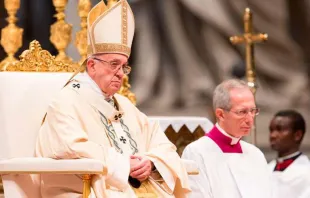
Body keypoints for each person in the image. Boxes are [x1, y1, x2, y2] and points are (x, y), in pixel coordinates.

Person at [35, 0, 190, 197]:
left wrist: (151, 162)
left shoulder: (124, 104)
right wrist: (124, 165)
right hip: (89, 190)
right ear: (92, 66)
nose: (120, 73)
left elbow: (160, 142)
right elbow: (69, 147)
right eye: (114, 64)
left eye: (124, 66)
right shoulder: (66, 101)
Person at [182, 79, 272, 198]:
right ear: (220, 114)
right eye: (242, 112)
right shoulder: (196, 153)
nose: (250, 119)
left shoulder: (256, 154)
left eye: (253, 111)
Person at [268, 110, 310, 198]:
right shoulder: (265, 169)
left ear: (297, 135)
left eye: (279, 130)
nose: (272, 135)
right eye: (271, 130)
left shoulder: (306, 173)